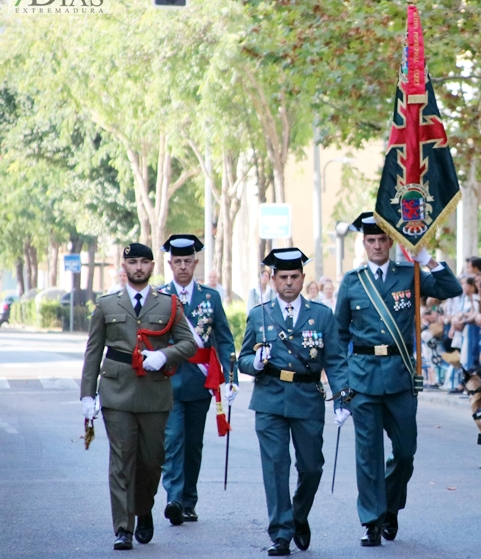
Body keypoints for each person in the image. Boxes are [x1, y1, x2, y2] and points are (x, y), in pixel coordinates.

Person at [334, 212, 462, 546]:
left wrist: (426, 258)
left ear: (391, 241)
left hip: (400, 377)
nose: (376, 246)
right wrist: (341, 385)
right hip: (363, 378)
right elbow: (339, 335)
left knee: (405, 453)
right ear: (363, 243)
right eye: (370, 240)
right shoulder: (352, 281)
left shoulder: (410, 275)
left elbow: (452, 287)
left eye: (381, 240)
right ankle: (372, 520)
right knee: (368, 454)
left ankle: (390, 507)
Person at [80, 243, 196, 550]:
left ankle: (143, 507)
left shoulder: (168, 305)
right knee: (121, 460)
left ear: (152, 266)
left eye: (144, 262)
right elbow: (93, 352)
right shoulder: (107, 304)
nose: (139, 267)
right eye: (133, 262)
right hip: (116, 392)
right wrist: (87, 396)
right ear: (124, 267)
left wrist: (165, 356)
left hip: (154, 392)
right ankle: (123, 528)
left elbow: (189, 344)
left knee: (151, 460)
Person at [237, 248, 349, 556]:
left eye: (294, 277)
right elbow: (243, 358)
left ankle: (298, 515)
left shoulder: (322, 315)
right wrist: (255, 364)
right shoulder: (259, 314)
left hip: (306, 396)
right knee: (276, 466)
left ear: (303, 278)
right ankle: (281, 532)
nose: (289, 283)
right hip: (270, 396)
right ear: (273, 279)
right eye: (283, 277)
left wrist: (341, 397)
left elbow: (336, 360)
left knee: (312, 467)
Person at [158, 234, 237, 526]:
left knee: (193, 445)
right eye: (177, 261)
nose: (182, 267)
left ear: (195, 263)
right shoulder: (161, 297)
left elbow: (225, 340)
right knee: (173, 440)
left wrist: (231, 378)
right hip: (169, 380)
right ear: (169, 263)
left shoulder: (210, 297)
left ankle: (188, 501)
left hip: (201, 382)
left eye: (187, 261)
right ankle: (174, 499)